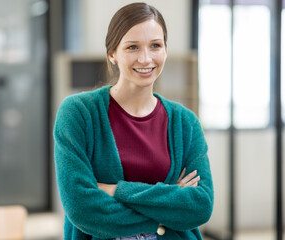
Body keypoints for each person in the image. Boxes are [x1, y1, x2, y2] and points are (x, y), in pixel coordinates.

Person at [53, 2, 214, 240]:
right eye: (132, 47)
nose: (146, 58)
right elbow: (81, 208)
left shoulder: (185, 123)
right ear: (112, 54)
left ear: (165, 50)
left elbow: (200, 205)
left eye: (155, 46)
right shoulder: (78, 114)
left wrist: (115, 190)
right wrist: (167, 208)